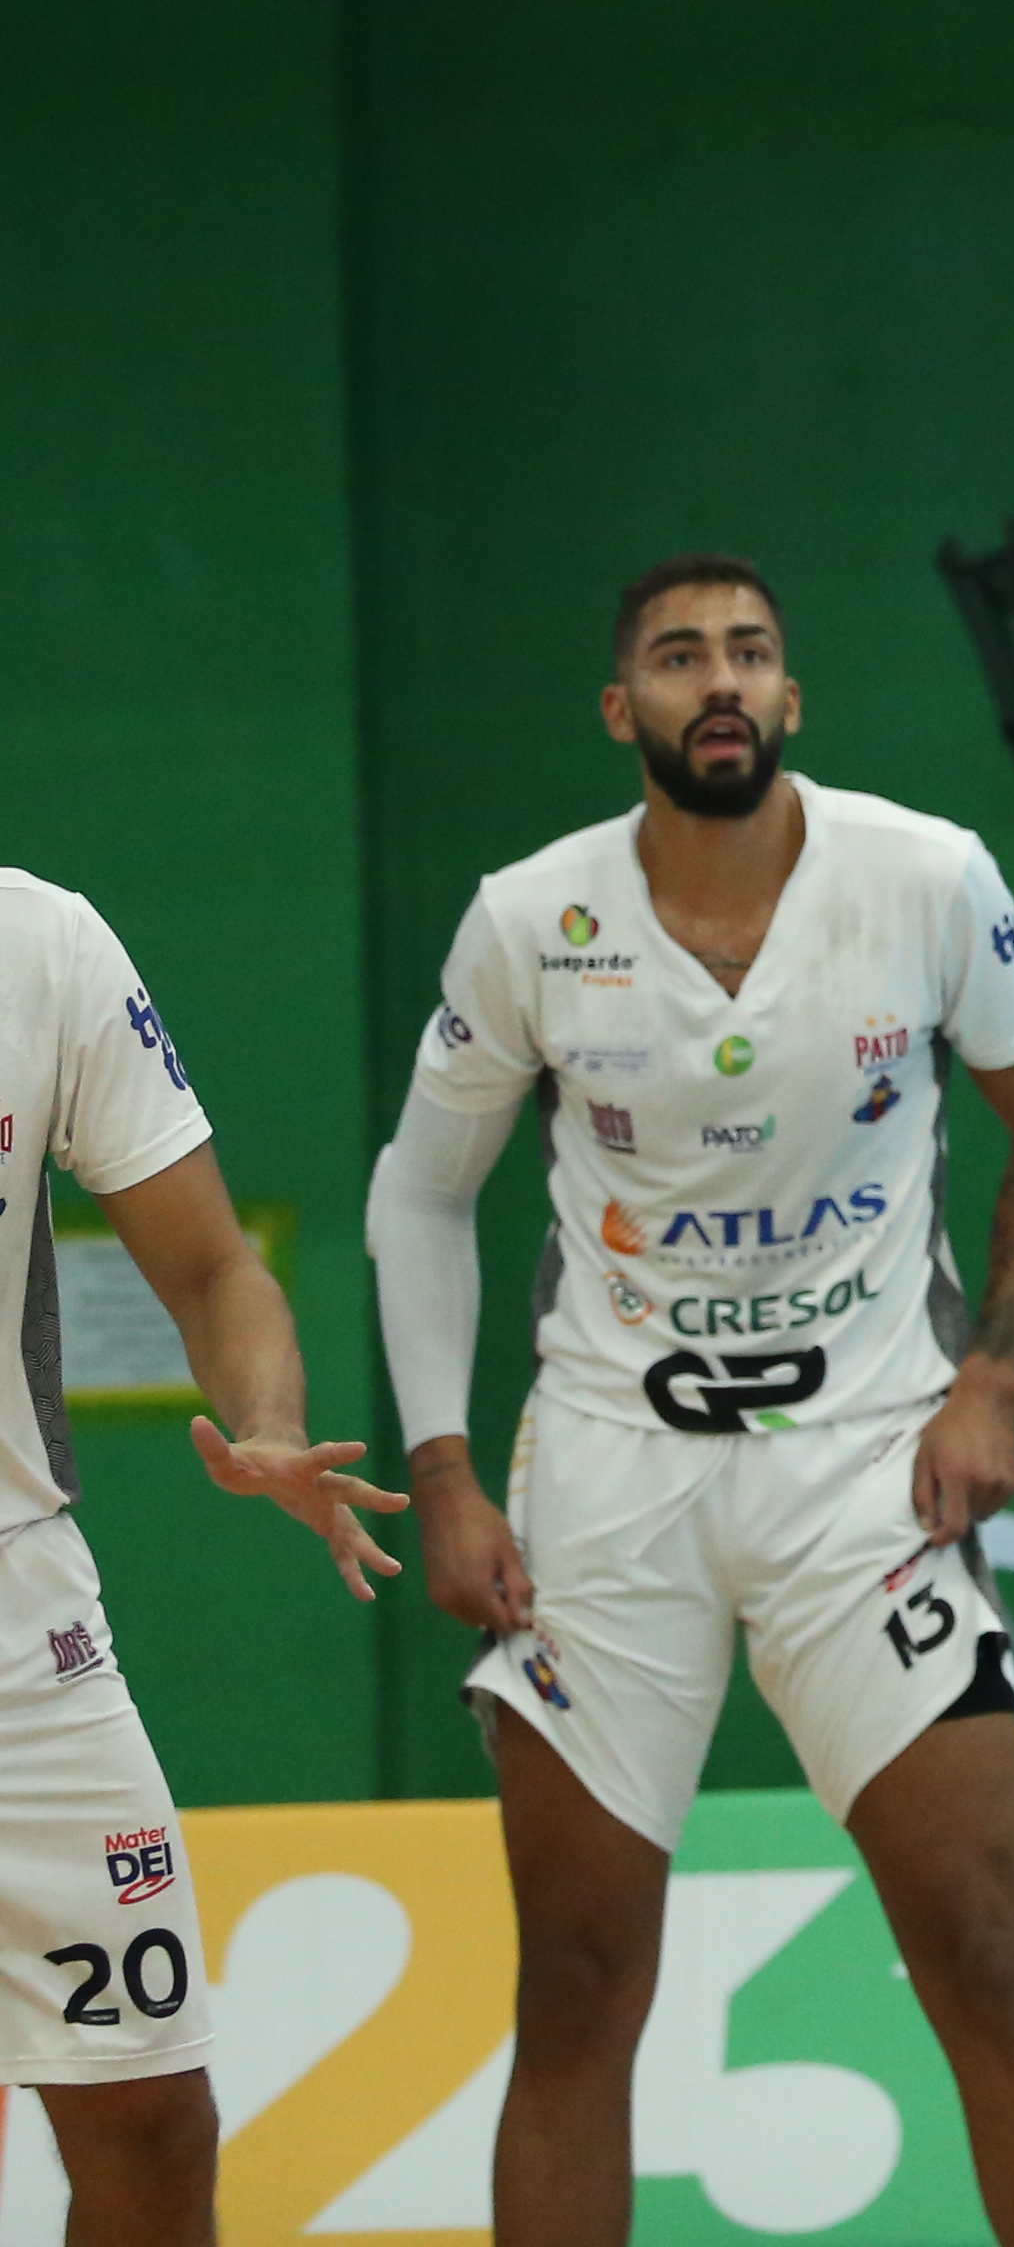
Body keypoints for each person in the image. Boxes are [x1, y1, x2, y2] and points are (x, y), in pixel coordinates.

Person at [370, 555, 1014, 2247]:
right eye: (679, 654)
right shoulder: (530, 916)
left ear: (792, 702)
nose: (720, 679)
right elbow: (417, 1193)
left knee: (991, 1955)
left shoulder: (928, 879)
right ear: (620, 707)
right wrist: (449, 1475)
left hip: (866, 1473)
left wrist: (989, 1374)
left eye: (753, 653)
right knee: (572, 1988)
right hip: (610, 1480)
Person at [0, 876, 403, 2247]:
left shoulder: (42, 946)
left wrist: (272, 1424)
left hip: (22, 1629)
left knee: (154, 2120)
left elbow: (217, 1269)